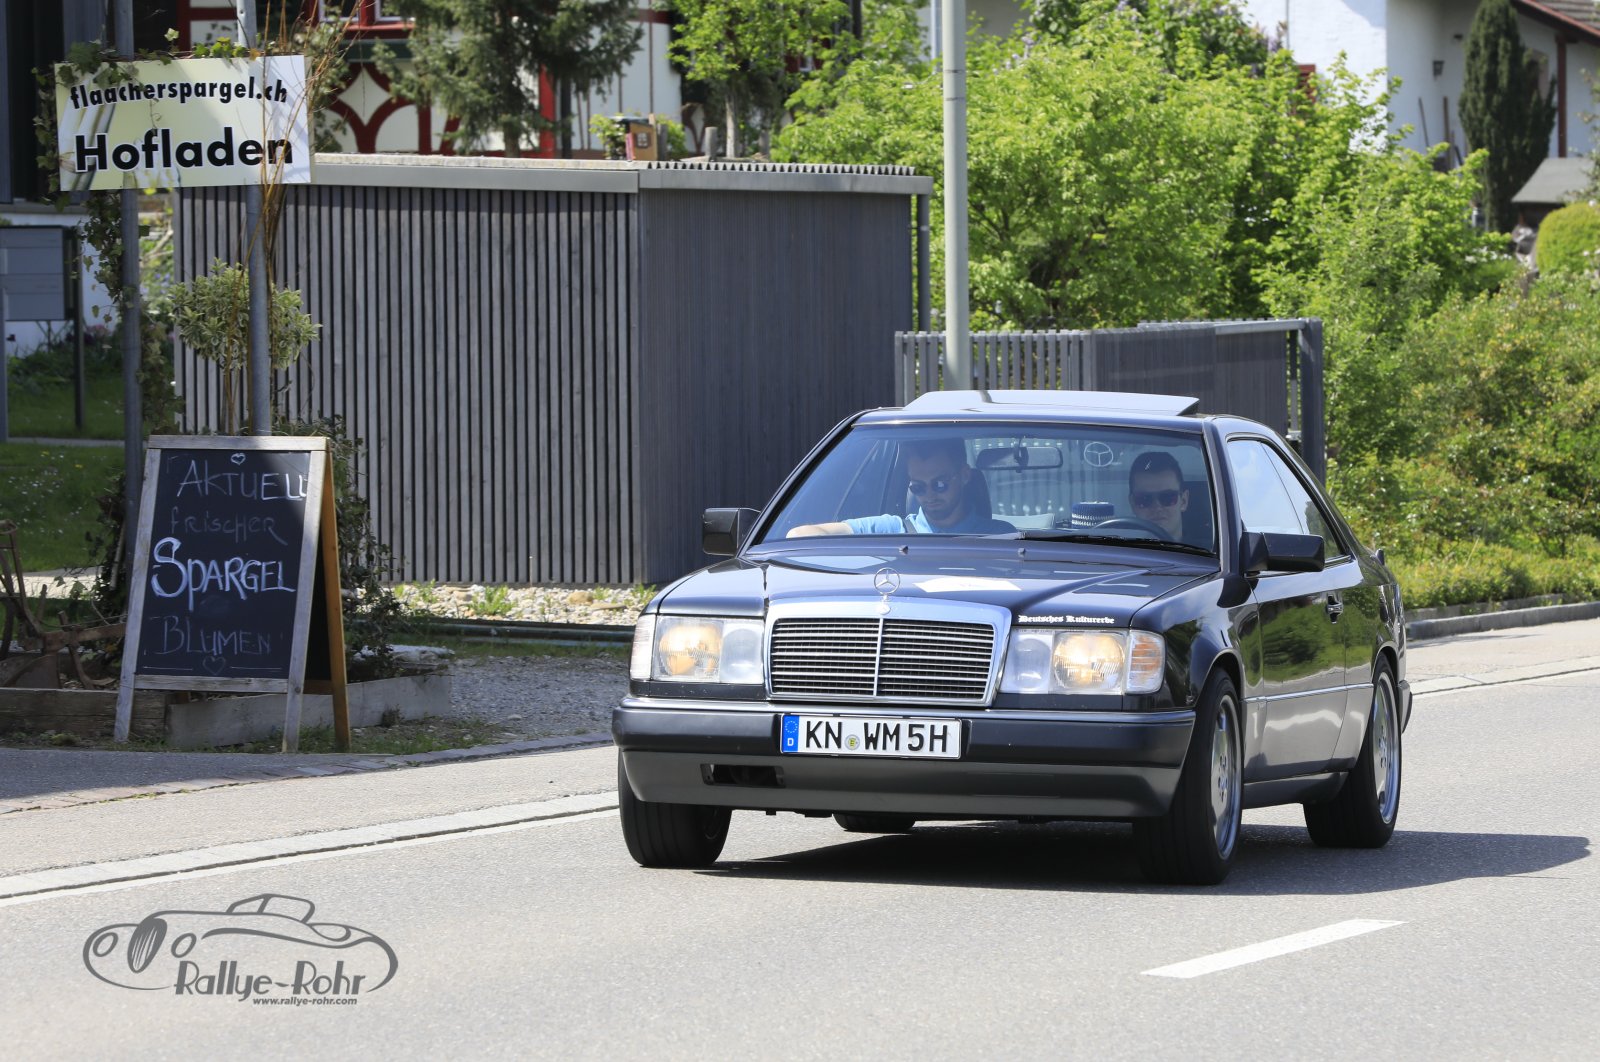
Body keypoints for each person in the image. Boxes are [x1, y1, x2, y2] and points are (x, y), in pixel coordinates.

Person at [788, 438, 1013, 536]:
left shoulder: (1002, 537)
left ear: (964, 475)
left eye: (940, 484)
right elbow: (799, 535)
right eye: (918, 487)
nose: (930, 495)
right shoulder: (891, 530)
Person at [1126, 450, 1190, 541]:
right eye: (1144, 499)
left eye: (1167, 498)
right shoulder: (1113, 548)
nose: (1157, 508)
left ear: (1183, 501)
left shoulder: (1207, 549)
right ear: (1132, 504)